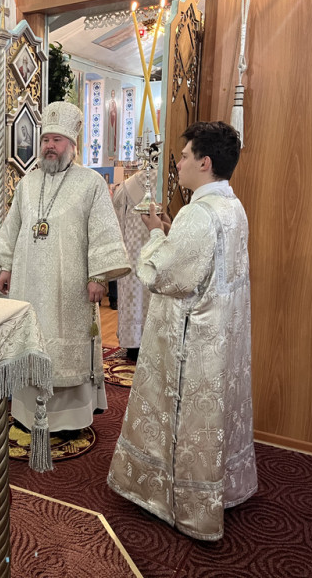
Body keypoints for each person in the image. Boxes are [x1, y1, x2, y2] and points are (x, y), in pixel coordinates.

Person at [107, 121, 256, 541]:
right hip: (220, 337)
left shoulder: (198, 213)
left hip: (193, 343)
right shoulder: (232, 207)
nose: (180, 164)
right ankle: (219, 488)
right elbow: (203, 264)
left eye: (186, 156)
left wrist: (156, 233)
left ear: (204, 162)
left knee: (186, 422)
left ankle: (184, 503)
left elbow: (160, 275)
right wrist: (173, 235)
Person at [0, 101, 131, 435]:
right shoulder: (28, 183)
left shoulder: (90, 183)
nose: (49, 146)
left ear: (72, 144)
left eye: (57, 140)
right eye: (45, 140)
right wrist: (6, 266)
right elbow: (14, 227)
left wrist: (98, 276)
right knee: (30, 344)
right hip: (28, 285)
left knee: (66, 347)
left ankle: (70, 420)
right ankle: (27, 413)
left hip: (69, 287)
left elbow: (102, 231)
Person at [111, 170, 153, 360]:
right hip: (158, 252)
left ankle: (133, 343)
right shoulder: (174, 180)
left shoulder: (127, 186)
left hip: (133, 252)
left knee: (134, 296)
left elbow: (117, 223)